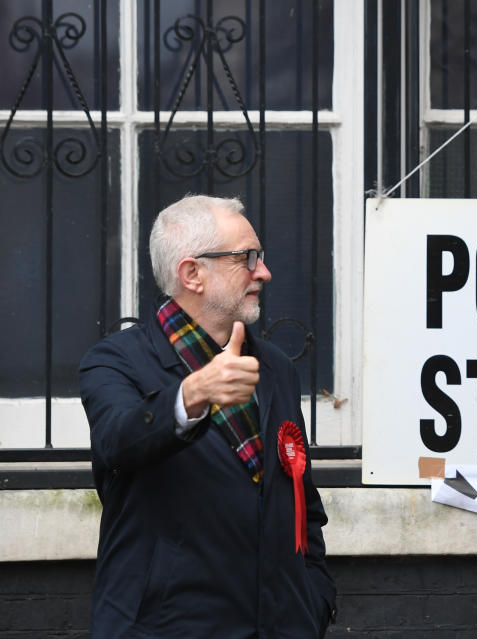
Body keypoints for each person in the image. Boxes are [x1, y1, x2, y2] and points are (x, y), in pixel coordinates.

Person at [79, 194, 336, 638]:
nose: (264, 272)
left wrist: (314, 599)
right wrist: (192, 394)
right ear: (192, 273)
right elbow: (116, 442)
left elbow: (301, 505)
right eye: (247, 258)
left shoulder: (275, 367)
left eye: (261, 257)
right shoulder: (114, 362)